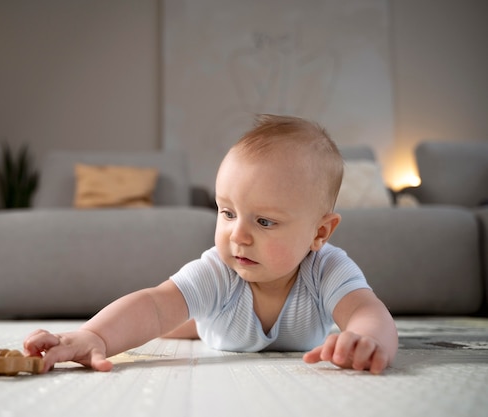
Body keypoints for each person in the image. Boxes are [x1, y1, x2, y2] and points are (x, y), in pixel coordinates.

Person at [23, 114, 398, 374]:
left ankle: (192, 316)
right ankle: (181, 319)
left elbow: (368, 311)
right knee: (167, 318)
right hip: (220, 320)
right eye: (228, 213)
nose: (238, 236)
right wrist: (94, 335)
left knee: (184, 315)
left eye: (264, 221)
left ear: (320, 234)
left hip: (230, 316)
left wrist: (365, 339)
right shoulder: (220, 270)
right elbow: (155, 305)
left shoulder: (327, 268)